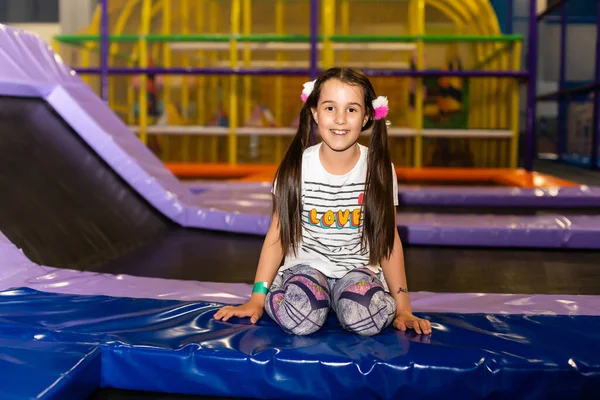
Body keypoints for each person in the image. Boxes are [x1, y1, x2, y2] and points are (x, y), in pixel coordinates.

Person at [214, 67, 432, 337]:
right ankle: (293, 292)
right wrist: (257, 297)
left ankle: (342, 300)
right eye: (330, 108)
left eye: (351, 110)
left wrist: (403, 308)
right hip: (306, 267)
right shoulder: (296, 168)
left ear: (366, 116)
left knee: (368, 319)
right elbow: (277, 234)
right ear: (315, 112)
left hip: (357, 270)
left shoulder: (379, 169)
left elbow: (388, 240)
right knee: (302, 319)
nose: (340, 119)